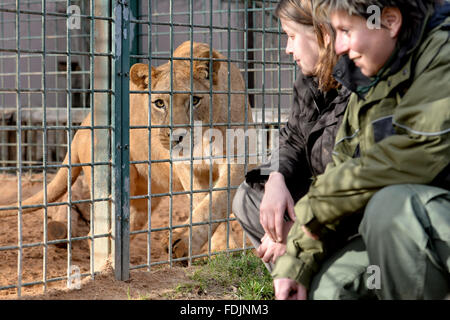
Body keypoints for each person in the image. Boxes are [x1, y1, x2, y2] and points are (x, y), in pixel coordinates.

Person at [273, 0, 450, 300]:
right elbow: (341, 168)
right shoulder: (367, 81)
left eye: (345, 30)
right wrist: (297, 261)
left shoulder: (442, 55)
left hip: (419, 222)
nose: (338, 46)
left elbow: (416, 152)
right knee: (328, 289)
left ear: (390, 21)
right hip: (406, 230)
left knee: (389, 208)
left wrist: (314, 209)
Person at [232, 0, 365, 275]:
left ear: (323, 35)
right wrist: (275, 178)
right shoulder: (310, 80)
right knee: (248, 197)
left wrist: (300, 230)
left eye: (292, 37)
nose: (287, 49)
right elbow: (290, 138)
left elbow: (356, 184)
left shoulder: (363, 86)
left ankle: (317, 275)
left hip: (356, 216)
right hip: (322, 205)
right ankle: (296, 280)